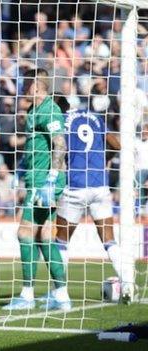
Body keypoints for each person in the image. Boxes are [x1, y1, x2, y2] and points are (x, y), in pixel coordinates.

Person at [3, 69, 70, 311]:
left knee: (24, 233)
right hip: (35, 178)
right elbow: (35, 147)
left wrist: (51, 179)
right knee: (44, 235)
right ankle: (61, 295)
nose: (22, 88)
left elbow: (59, 145)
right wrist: (20, 172)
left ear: (35, 86)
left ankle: (27, 294)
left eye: (25, 84)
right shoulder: (32, 111)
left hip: (44, 181)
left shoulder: (50, 109)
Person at [55, 107, 135, 303]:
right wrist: (100, 157)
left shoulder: (61, 119)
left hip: (75, 185)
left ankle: (59, 293)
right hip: (100, 185)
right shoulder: (96, 117)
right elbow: (116, 144)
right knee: (110, 241)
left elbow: (58, 146)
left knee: (61, 242)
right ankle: (128, 284)